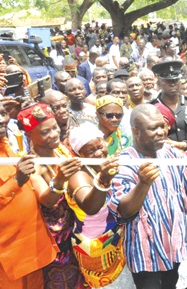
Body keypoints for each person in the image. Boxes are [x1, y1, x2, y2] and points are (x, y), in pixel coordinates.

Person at [108, 104, 187, 288]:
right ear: (136, 131)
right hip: (145, 250)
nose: (160, 132)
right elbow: (125, 211)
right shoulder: (125, 163)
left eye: (162, 126)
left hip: (173, 242)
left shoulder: (174, 155)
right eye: (153, 128)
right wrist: (143, 184)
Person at [18, 103, 85, 288]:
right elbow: (46, 200)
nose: (54, 134)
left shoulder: (62, 150)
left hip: (78, 239)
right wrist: (60, 180)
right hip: (56, 248)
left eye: (54, 128)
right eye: (45, 132)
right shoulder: (32, 164)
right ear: (29, 135)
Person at [0, 102, 59, 289]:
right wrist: (17, 180)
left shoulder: (7, 144)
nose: (2, 119)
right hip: (7, 255)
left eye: (3, 113)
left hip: (31, 247)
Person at [65, 123, 130, 288]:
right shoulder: (78, 176)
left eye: (100, 146)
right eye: (90, 151)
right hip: (94, 249)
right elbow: (91, 207)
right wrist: (104, 180)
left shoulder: (110, 165)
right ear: (79, 154)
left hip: (117, 241)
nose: (99, 153)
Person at [150, 60, 187, 151]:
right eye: (168, 81)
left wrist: (181, 145)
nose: (172, 84)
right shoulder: (152, 108)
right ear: (159, 83)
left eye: (175, 80)